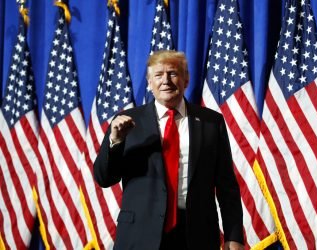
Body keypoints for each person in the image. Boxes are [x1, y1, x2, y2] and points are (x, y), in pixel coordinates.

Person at [94, 50, 244, 250]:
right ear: (149, 82)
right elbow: (104, 178)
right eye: (158, 75)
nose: (166, 80)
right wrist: (115, 141)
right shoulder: (126, 122)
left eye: (173, 73)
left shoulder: (211, 122)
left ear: (186, 79)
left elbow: (227, 186)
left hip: (196, 236)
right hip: (140, 236)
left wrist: (233, 237)